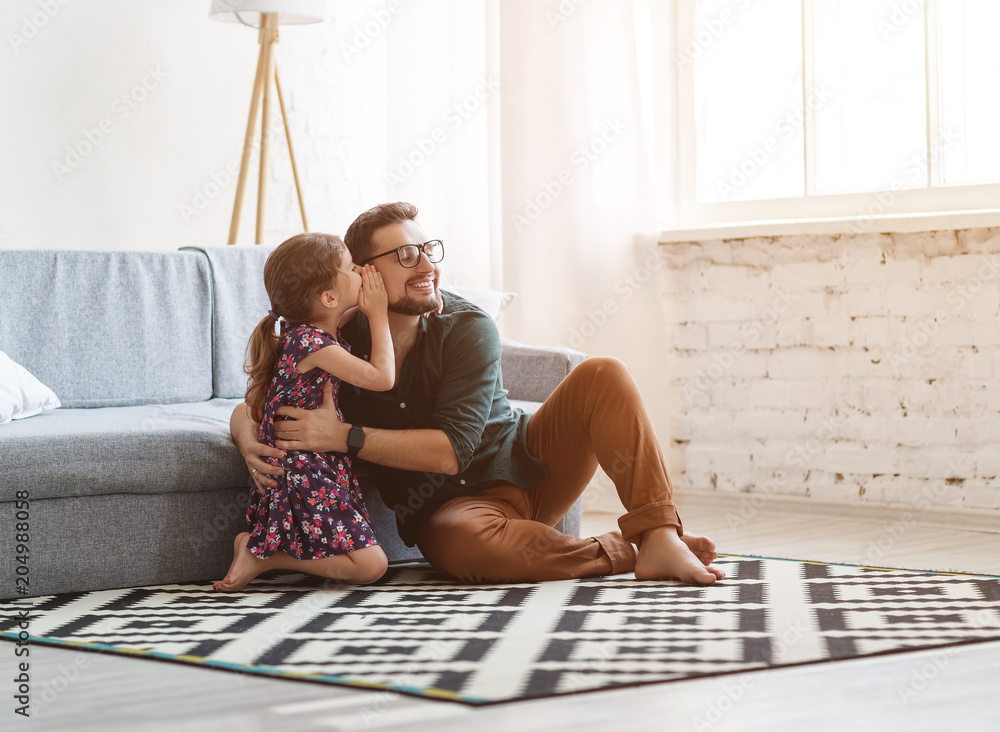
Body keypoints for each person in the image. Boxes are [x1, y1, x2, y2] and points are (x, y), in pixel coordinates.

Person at [230, 203, 725, 586]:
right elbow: (257, 397)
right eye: (405, 255)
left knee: (603, 373)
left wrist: (345, 437)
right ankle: (625, 551)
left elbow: (452, 452)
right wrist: (248, 437)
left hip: (528, 468)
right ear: (364, 273)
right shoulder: (338, 345)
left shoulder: (466, 325)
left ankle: (658, 535)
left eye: (428, 250)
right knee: (464, 544)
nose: (426, 265)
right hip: (453, 514)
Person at [215, 233, 393, 591]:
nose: (361, 270)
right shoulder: (311, 343)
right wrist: (379, 315)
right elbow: (382, 377)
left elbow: (345, 308)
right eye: (352, 267)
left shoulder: (307, 334)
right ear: (328, 298)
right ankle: (260, 555)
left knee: (368, 563)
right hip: (302, 469)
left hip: (311, 465)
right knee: (372, 565)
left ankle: (258, 552)